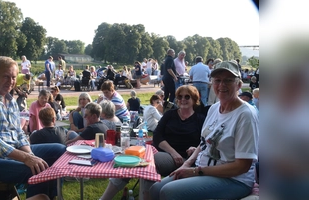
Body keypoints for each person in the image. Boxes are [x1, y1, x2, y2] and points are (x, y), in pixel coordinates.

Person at [150, 61, 259, 200]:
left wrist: (196, 171)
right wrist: (186, 164)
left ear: (238, 85)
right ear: (212, 83)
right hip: (204, 171)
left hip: (234, 180)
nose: (221, 85)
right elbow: (204, 143)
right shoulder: (214, 108)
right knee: (155, 189)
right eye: (217, 80)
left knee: (169, 191)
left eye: (228, 80)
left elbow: (242, 166)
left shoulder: (246, 115)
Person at [0, 56, 66, 199]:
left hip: (10, 153)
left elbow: (18, 133)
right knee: (38, 170)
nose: (11, 82)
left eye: (14, 77)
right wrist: (26, 159)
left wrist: (30, 155)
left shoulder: (9, 100)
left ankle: (49, 196)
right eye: (6, 77)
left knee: (59, 150)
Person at [100, 85, 205, 200]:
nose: (182, 99)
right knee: (131, 162)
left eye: (187, 96)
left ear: (194, 99)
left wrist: (195, 149)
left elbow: (204, 142)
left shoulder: (200, 119)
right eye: (179, 97)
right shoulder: (170, 114)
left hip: (186, 159)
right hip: (166, 153)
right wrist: (173, 152)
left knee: (149, 163)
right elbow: (157, 135)